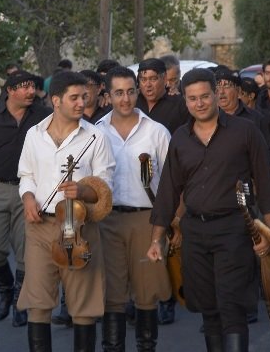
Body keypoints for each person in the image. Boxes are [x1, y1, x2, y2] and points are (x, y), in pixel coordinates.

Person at [147, 68, 270, 352]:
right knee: (209, 310)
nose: (200, 103)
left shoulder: (245, 132)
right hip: (195, 232)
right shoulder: (180, 139)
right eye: (192, 98)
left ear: (216, 95)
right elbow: (168, 190)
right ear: (185, 100)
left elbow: (266, 184)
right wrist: (156, 238)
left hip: (235, 228)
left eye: (205, 96)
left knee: (231, 307)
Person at [17, 71, 114, 351]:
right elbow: (26, 175)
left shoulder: (96, 137)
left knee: (83, 306)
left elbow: (105, 186)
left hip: (79, 226)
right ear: (56, 100)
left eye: (84, 96)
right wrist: (27, 198)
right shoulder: (34, 135)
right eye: (74, 97)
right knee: (38, 302)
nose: (81, 103)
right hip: (40, 226)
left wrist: (83, 191)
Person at [96, 66, 172, 351]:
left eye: (130, 91)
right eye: (118, 93)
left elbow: (170, 183)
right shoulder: (96, 132)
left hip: (146, 220)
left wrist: (168, 225)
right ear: (108, 95)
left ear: (137, 90)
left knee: (146, 293)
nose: (125, 99)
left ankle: (146, 346)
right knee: (112, 293)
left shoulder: (157, 132)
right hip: (107, 220)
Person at [0, 71, 51, 328]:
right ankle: (5, 289)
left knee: (26, 251)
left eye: (32, 86)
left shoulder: (42, 116)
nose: (31, 91)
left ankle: (20, 300)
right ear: (10, 90)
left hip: (30, 191)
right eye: (24, 87)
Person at [135, 57, 188, 324]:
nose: (148, 84)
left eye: (153, 78)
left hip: (173, 180)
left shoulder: (179, 107)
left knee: (168, 241)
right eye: (143, 79)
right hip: (139, 188)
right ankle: (143, 299)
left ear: (164, 81)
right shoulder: (132, 107)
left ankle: (168, 299)